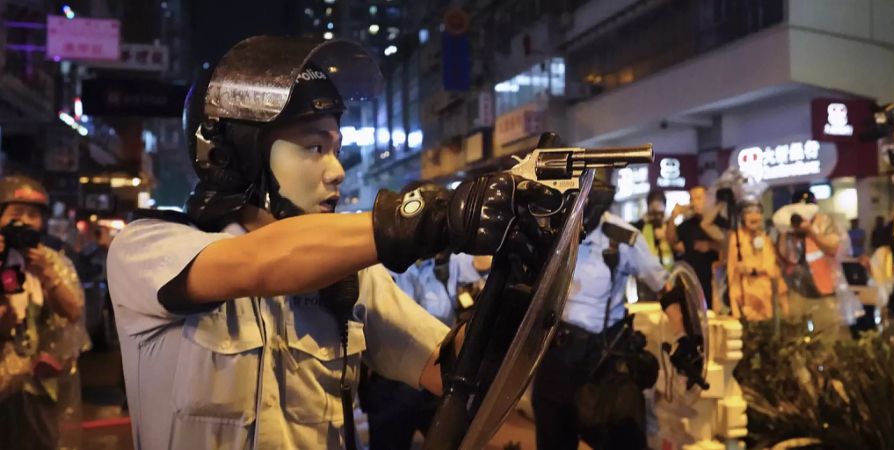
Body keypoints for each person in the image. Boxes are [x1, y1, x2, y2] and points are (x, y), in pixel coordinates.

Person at [107, 36, 560, 450]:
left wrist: (516, 292)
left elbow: (448, 371)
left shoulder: (353, 272)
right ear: (234, 154)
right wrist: (427, 217)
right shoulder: (147, 248)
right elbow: (261, 262)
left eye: (336, 149)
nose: (337, 170)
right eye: (314, 147)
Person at [533, 176, 701, 450]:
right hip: (557, 357)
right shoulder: (551, 232)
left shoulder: (622, 237)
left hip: (605, 359)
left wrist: (683, 336)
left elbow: (664, 288)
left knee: (623, 437)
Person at [365, 251, 489, 450]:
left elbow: (479, 270)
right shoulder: (386, 262)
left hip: (439, 370)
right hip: (393, 380)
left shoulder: (451, 261)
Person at [0, 175, 87, 450]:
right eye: (15, 214)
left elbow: (74, 313)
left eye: (33, 215)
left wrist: (47, 275)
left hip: (39, 386)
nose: (24, 222)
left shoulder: (51, 261)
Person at [775, 190, 849, 339]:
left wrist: (811, 231)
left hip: (825, 293)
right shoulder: (788, 229)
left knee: (827, 343)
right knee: (793, 340)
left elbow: (833, 248)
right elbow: (782, 256)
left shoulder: (826, 222)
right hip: (796, 292)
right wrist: (788, 231)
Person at [666, 186, 728, 307]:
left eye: (699, 198)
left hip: (716, 282)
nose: (695, 202)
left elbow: (728, 248)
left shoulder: (720, 222)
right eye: (692, 199)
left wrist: (711, 246)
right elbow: (672, 241)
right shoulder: (688, 224)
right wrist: (673, 217)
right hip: (694, 281)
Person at [726, 199, 787, 320]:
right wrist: (734, 299)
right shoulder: (736, 239)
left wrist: (752, 270)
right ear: (742, 217)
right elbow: (732, 269)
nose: (754, 216)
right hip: (745, 298)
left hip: (766, 298)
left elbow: (771, 267)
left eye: (758, 212)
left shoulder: (766, 238)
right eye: (749, 212)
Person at [632, 190, 673, 301]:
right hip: (646, 281)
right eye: (653, 213)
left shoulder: (669, 227)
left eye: (660, 214)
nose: (657, 217)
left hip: (667, 278)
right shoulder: (641, 226)